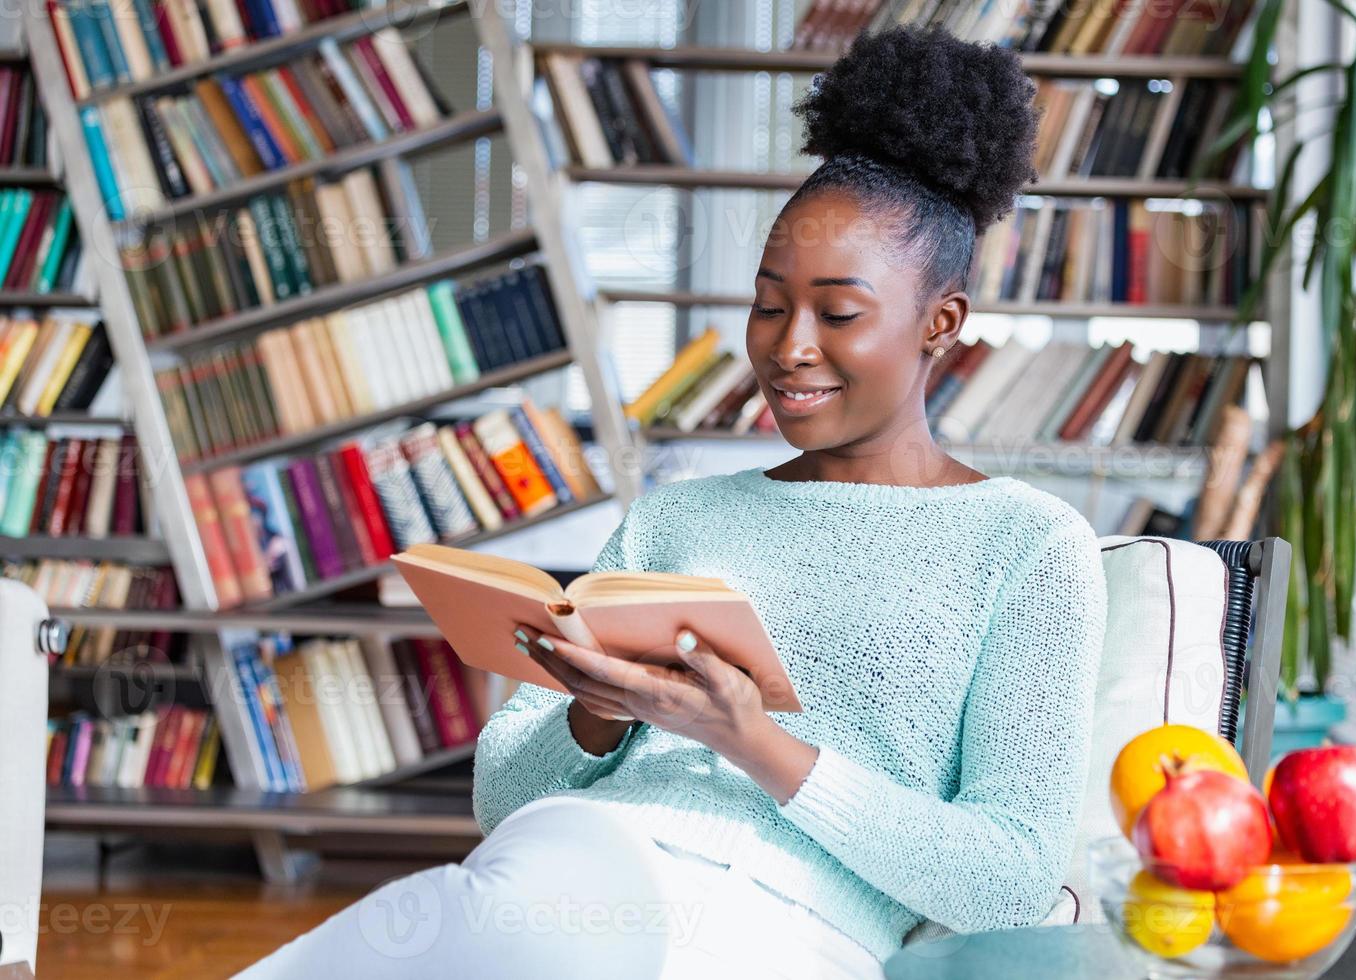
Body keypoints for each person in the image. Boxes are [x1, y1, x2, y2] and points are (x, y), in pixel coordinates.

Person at [239, 23, 1106, 979]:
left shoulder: (1026, 545)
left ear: (940, 323)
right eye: (769, 304)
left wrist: (752, 742)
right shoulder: (676, 517)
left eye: (840, 313)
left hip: (784, 928)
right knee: (463, 925)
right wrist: (598, 712)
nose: (789, 347)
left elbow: (1013, 879)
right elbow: (500, 800)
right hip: (572, 868)